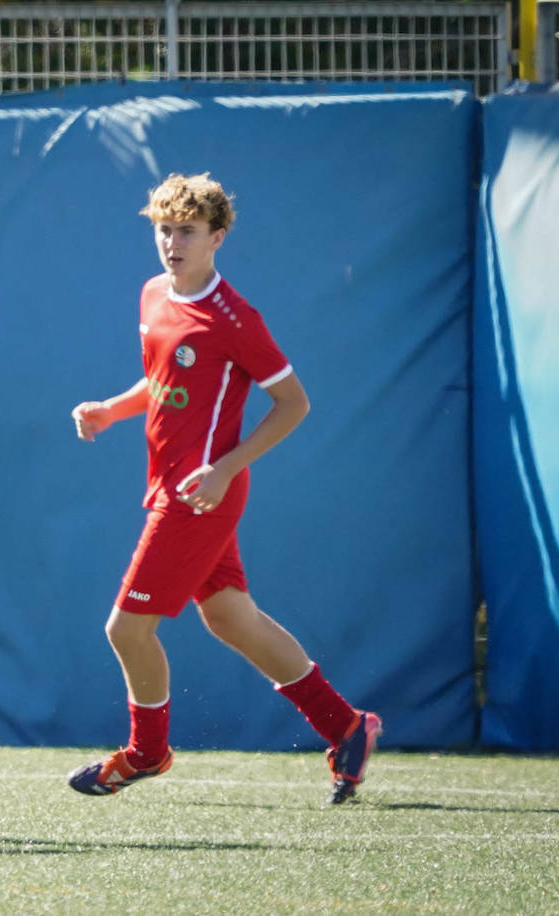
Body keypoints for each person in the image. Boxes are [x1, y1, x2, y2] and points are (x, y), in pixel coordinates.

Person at [67, 174, 381, 805]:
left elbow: (293, 404)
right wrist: (110, 408)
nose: (172, 242)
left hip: (201, 496)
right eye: (164, 229)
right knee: (231, 619)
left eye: (186, 231)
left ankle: (147, 753)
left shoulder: (234, 318)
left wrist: (226, 467)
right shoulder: (154, 293)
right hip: (172, 487)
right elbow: (158, 380)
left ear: (217, 237)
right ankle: (346, 728)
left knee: (125, 631)